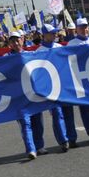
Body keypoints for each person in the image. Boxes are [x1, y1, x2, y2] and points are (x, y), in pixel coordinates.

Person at [17, 29, 71, 159]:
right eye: (52, 33)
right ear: (45, 35)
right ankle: (35, 147)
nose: (54, 35)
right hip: (44, 89)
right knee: (33, 119)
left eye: (55, 33)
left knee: (58, 113)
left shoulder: (59, 47)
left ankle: (63, 140)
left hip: (59, 87)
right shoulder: (38, 52)